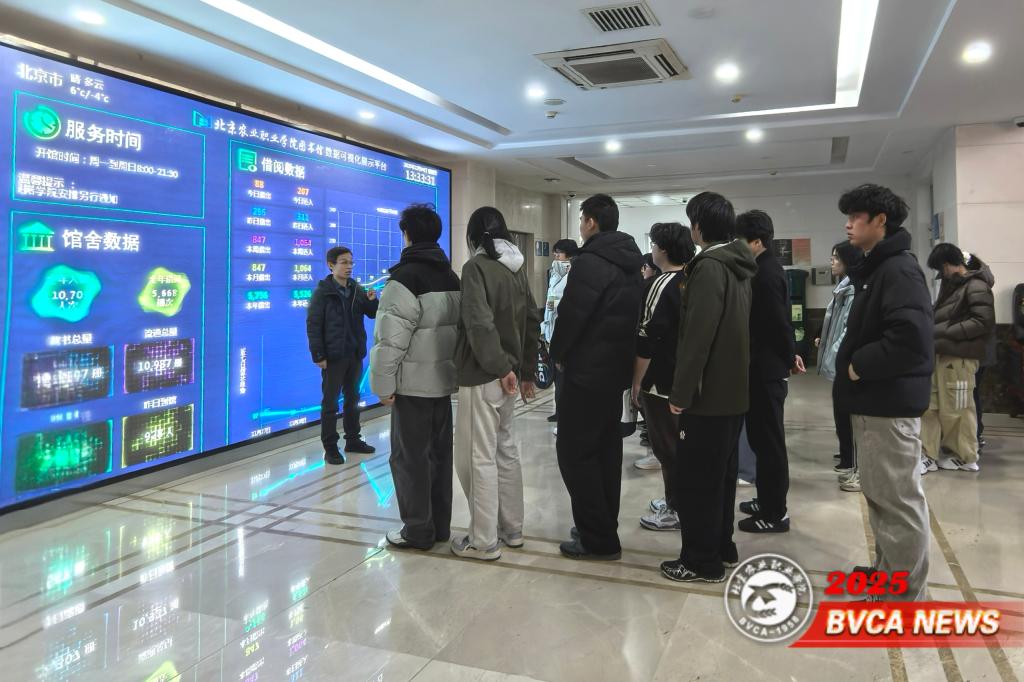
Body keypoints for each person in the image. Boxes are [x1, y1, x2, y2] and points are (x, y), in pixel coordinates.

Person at [833, 183, 933, 602]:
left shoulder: (898, 270)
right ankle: (888, 578)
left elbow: (910, 339)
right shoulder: (879, 267)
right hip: (876, 402)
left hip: (888, 404)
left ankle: (904, 600)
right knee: (882, 501)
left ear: (880, 220)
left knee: (898, 505)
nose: (848, 225)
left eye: (856, 217)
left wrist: (858, 365)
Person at [662, 191, 757, 583]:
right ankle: (721, 546)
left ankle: (701, 561)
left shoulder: (708, 268)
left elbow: (698, 337)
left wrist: (680, 393)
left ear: (698, 226)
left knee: (697, 481)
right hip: (733, 392)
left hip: (707, 397)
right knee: (720, 477)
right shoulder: (739, 265)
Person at [550, 193, 642, 560]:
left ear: (591, 222)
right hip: (614, 372)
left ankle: (597, 538)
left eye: (581, 220)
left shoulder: (590, 262)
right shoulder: (630, 261)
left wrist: (557, 354)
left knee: (574, 453)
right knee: (606, 450)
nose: (580, 226)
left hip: (586, 373)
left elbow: (573, 315)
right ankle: (602, 525)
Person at [370, 204, 462, 550]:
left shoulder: (404, 280)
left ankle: (417, 530)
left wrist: (382, 385)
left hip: (412, 388)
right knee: (439, 457)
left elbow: (390, 341)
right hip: (442, 383)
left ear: (406, 234)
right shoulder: (450, 276)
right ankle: (439, 528)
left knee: (410, 459)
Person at [452, 207, 541, 561]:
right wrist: (525, 371)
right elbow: (532, 319)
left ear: (473, 235)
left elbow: (479, 323)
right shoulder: (516, 267)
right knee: (506, 452)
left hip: (484, 374)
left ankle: (484, 540)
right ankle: (512, 529)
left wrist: (499, 367)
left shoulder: (476, 267)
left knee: (479, 457)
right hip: (510, 376)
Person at [735, 210, 805, 534]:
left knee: (770, 444)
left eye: (740, 240)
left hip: (766, 372)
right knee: (761, 441)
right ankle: (765, 500)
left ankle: (775, 512)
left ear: (756, 241)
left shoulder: (766, 273)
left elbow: (778, 323)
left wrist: (790, 356)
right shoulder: (762, 268)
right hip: (762, 368)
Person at [631, 222, 697, 531]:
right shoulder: (693, 279)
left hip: (662, 381)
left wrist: (637, 381)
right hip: (687, 378)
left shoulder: (662, 283)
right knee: (680, 445)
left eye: (655, 245)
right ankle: (677, 500)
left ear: (664, 250)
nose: (652, 250)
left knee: (668, 447)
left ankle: (678, 509)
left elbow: (648, 337)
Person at [920, 245, 995, 473]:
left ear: (949, 264)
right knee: (931, 407)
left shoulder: (977, 286)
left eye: (942, 268)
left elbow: (982, 322)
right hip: (941, 354)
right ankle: (929, 454)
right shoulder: (954, 285)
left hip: (960, 358)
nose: (941, 273)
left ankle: (965, 456)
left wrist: (944, 331)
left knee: (959, 410)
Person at [306, 245, 379, 464]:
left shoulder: (356, 289)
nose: (349, 266)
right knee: (330, 404)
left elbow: (372, 313)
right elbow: (313, 325)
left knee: (353, 399)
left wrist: (373, 300)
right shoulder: (323, 293)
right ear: (331, 265)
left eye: (351, 262)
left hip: (354, 354)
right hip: (333, 357)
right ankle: (330, 447)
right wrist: (318, 355)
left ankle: (353, 440)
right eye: (344, 262)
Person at [815, 241, 864, 491]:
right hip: (840, 358)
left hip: (846, 361)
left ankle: (852, 462)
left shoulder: (853, 289)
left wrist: (836, 355)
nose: (832, 262)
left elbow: (847, 329)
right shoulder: (844, 286)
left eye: (836, 257)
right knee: (841, 412)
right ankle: (847, 456)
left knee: (848, 415)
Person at [542, 239, 579, 424]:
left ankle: (566, 413)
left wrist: (556, 304)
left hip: (563, 331)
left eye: (559, 252)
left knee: (564, 376)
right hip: (551, 330)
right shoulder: (554, 273)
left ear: (569, 255)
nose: (556, 256)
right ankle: (559, 411)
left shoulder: (575, 273)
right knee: (557, 378)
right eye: (555, 252)